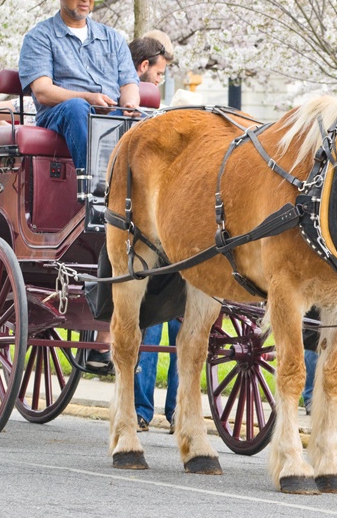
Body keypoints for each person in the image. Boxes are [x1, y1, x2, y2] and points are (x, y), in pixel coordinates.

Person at [17, 0, 140, 174]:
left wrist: (130, 105)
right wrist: (88, 98)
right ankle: (94, 188)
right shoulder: (39, 37)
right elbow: (43, 92)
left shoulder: (113, 38)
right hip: (61, 114)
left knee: (151, 122)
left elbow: (129, 82)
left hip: (111, 112)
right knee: (77, 108)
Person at [130, 31, 179, 430]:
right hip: (138, 213)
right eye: (159, 73)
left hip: (169, 218)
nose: (161, 81)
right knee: (150, 320)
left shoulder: (161, 116)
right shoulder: (126, 109)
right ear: (143, 68)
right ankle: (141, 411)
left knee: (181, 319)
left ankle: (178, 409)